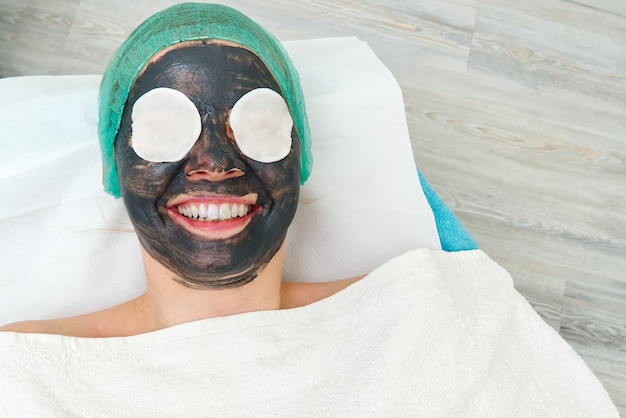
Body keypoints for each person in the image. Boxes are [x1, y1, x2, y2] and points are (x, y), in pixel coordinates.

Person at [0, 3, 618, 416]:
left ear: (301, 158)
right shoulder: (24, 379)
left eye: (259, 125)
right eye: (165, 129)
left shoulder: (432, 312)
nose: (215, 162)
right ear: (115, 168)